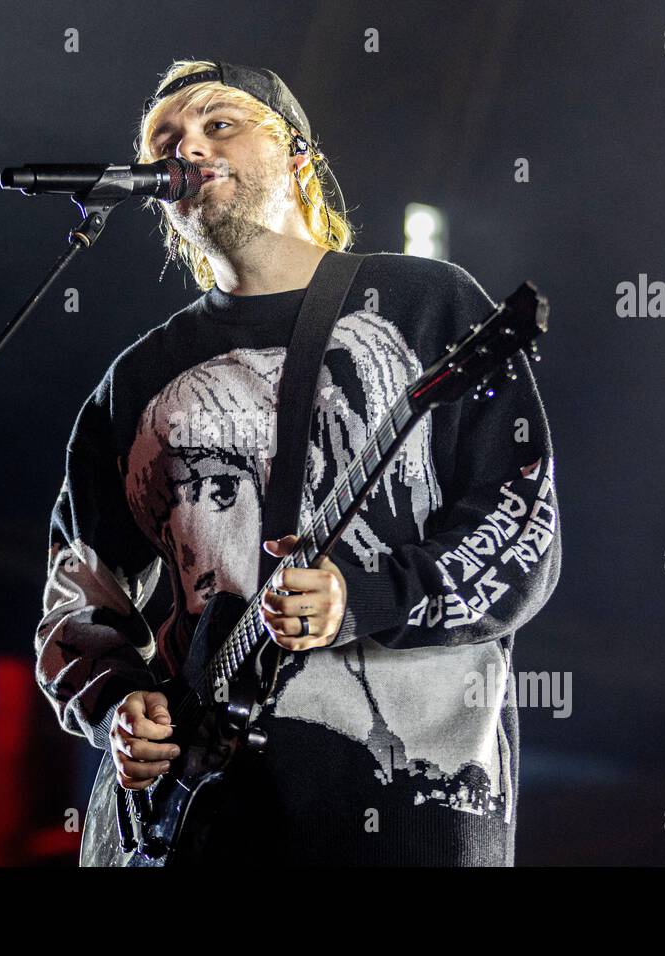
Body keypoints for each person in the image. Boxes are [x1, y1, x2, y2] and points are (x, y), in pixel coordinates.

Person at [35, 59, 562, 865]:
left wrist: (364, 597)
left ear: (298, 156)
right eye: (166, 139)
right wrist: (119, 709)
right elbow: (80, 608)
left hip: (404, 808)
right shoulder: (134, 385)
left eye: (220, 123)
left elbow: (520, 528)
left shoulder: (428, 307)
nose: (188, 147)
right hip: (196, 829)